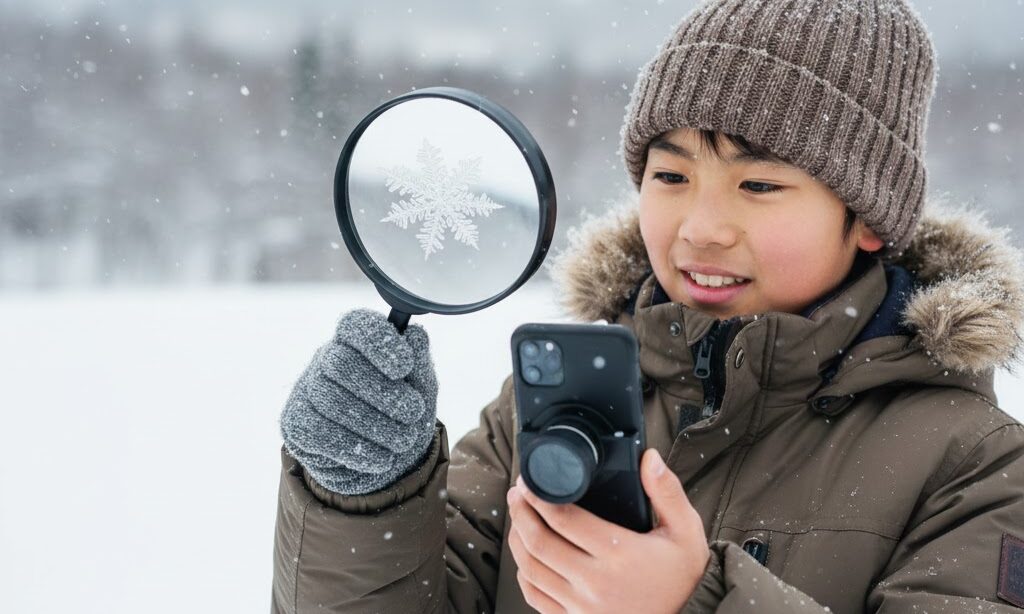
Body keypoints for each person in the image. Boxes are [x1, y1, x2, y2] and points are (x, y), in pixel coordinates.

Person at [271, 0, 1024, 612]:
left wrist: (691, 603)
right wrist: (362, 498)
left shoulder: (978, 467)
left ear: (868, 219)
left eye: (758, 185)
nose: (700, 228)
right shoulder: (542, 417)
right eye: (670, 176)